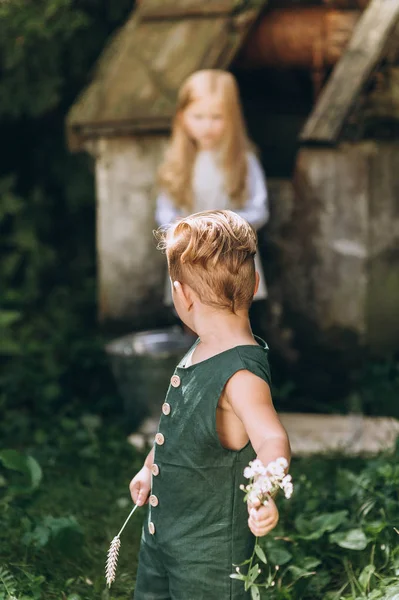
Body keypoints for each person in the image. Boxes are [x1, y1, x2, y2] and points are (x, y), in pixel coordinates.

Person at [130, 210, 291, 599]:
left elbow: (272, 440)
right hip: (164, 536)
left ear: (180, 294)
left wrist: (263, 489)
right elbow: (181, 427)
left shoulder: (240, 374)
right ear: (254, 285)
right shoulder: (203, 348)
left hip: (210, 559)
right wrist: (151, 466)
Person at [155, 69, 269, 306]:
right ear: (182, 116)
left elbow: (259, 210)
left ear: (232, 118)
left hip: (232, 261)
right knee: (191, 313)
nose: (207, 126)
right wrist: (179, 228)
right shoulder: (175, 162)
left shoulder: (244, 160)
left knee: (232, 315)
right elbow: (163, 211)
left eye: (216, 117)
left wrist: (222, 227)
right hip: (189, 259)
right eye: (198, 116)